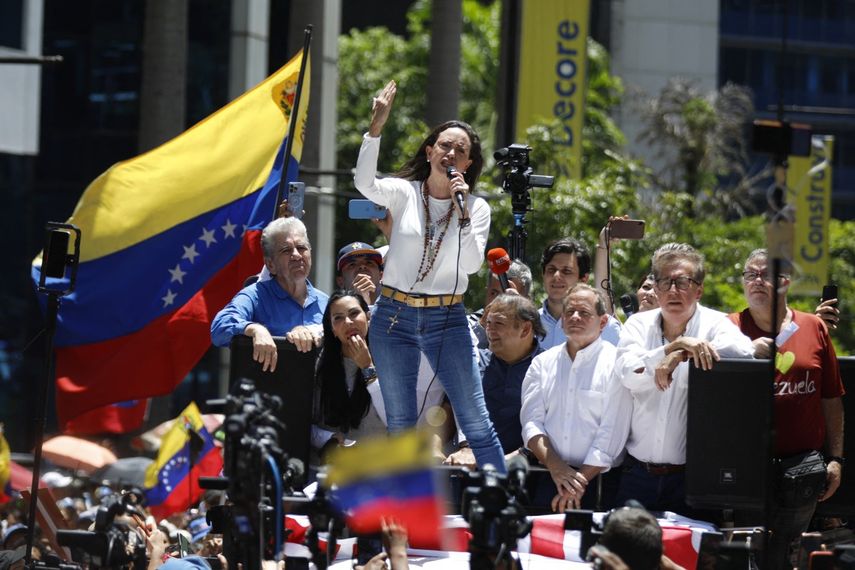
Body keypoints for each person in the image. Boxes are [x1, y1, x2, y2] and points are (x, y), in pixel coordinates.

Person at [353, 79, 505, 471]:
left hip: (447, 317)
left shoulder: (476, 207)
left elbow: (471, 264)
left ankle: (503, 509)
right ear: (430, 151)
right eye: (445, 146)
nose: (451, 153)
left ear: (468, 164)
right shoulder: (405, 193)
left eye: (461, 150)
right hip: (394, 316)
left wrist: (465, 216)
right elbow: (364, 183)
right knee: (401, 425)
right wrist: (375, 129)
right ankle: (404, 517)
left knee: (475, 420)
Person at [614, 243, 754, 513]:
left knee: (688, 554)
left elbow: (744, 352)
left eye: (682, 282)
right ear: (655, 288)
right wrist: (674, 347)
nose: (673, 290)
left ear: (699, 289)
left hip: (691, 477)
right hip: (637, 475)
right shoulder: (637, 325)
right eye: (665, 281)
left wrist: (682, 354)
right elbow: (628, 374)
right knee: (626, 553)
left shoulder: (715, 324)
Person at [728, 249, 845, 569]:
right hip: (745, 470)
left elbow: (832, 400)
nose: (757, 282)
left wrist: (836, 459)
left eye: (765, 275)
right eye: (750, 275)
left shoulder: (814, 327)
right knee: (745, 558)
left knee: (789, 556)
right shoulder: (726, 329)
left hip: (802, 472)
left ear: (785, 282)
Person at [522, 284, 632, 512]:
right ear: (561, 320)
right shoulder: (542, 363)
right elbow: (531, 423)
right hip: (546, 476)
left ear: (603, 323)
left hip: (598, 483)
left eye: (584, 313)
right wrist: (556, 467)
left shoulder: (616, 364)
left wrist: (576, 482)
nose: (574, 317)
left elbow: (611, 433)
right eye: (569, 312)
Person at [210, 217, 327, 371]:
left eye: (301, 247)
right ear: (270, 264)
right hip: (268, 391)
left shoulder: (327, 302)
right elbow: (219, 328)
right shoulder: (255, 296)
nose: (297, 255)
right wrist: (255, 329)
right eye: (286, 250)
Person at [444, 294, 544, 468]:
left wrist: (511, 459)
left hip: (530, 474)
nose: (489, 330)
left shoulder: (549, 368)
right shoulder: (473, 363)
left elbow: (553, 427)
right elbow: (447, 410)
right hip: (471, 469)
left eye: (498, 323)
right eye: (488, 323)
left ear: (526, 329)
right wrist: (434, 448)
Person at [538, 238, 621, 349]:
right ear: (543, 274)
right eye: (551, 270)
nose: (556, 276)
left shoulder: (606, 327)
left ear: (583, 279)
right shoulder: (527, 323)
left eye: (566, 271)